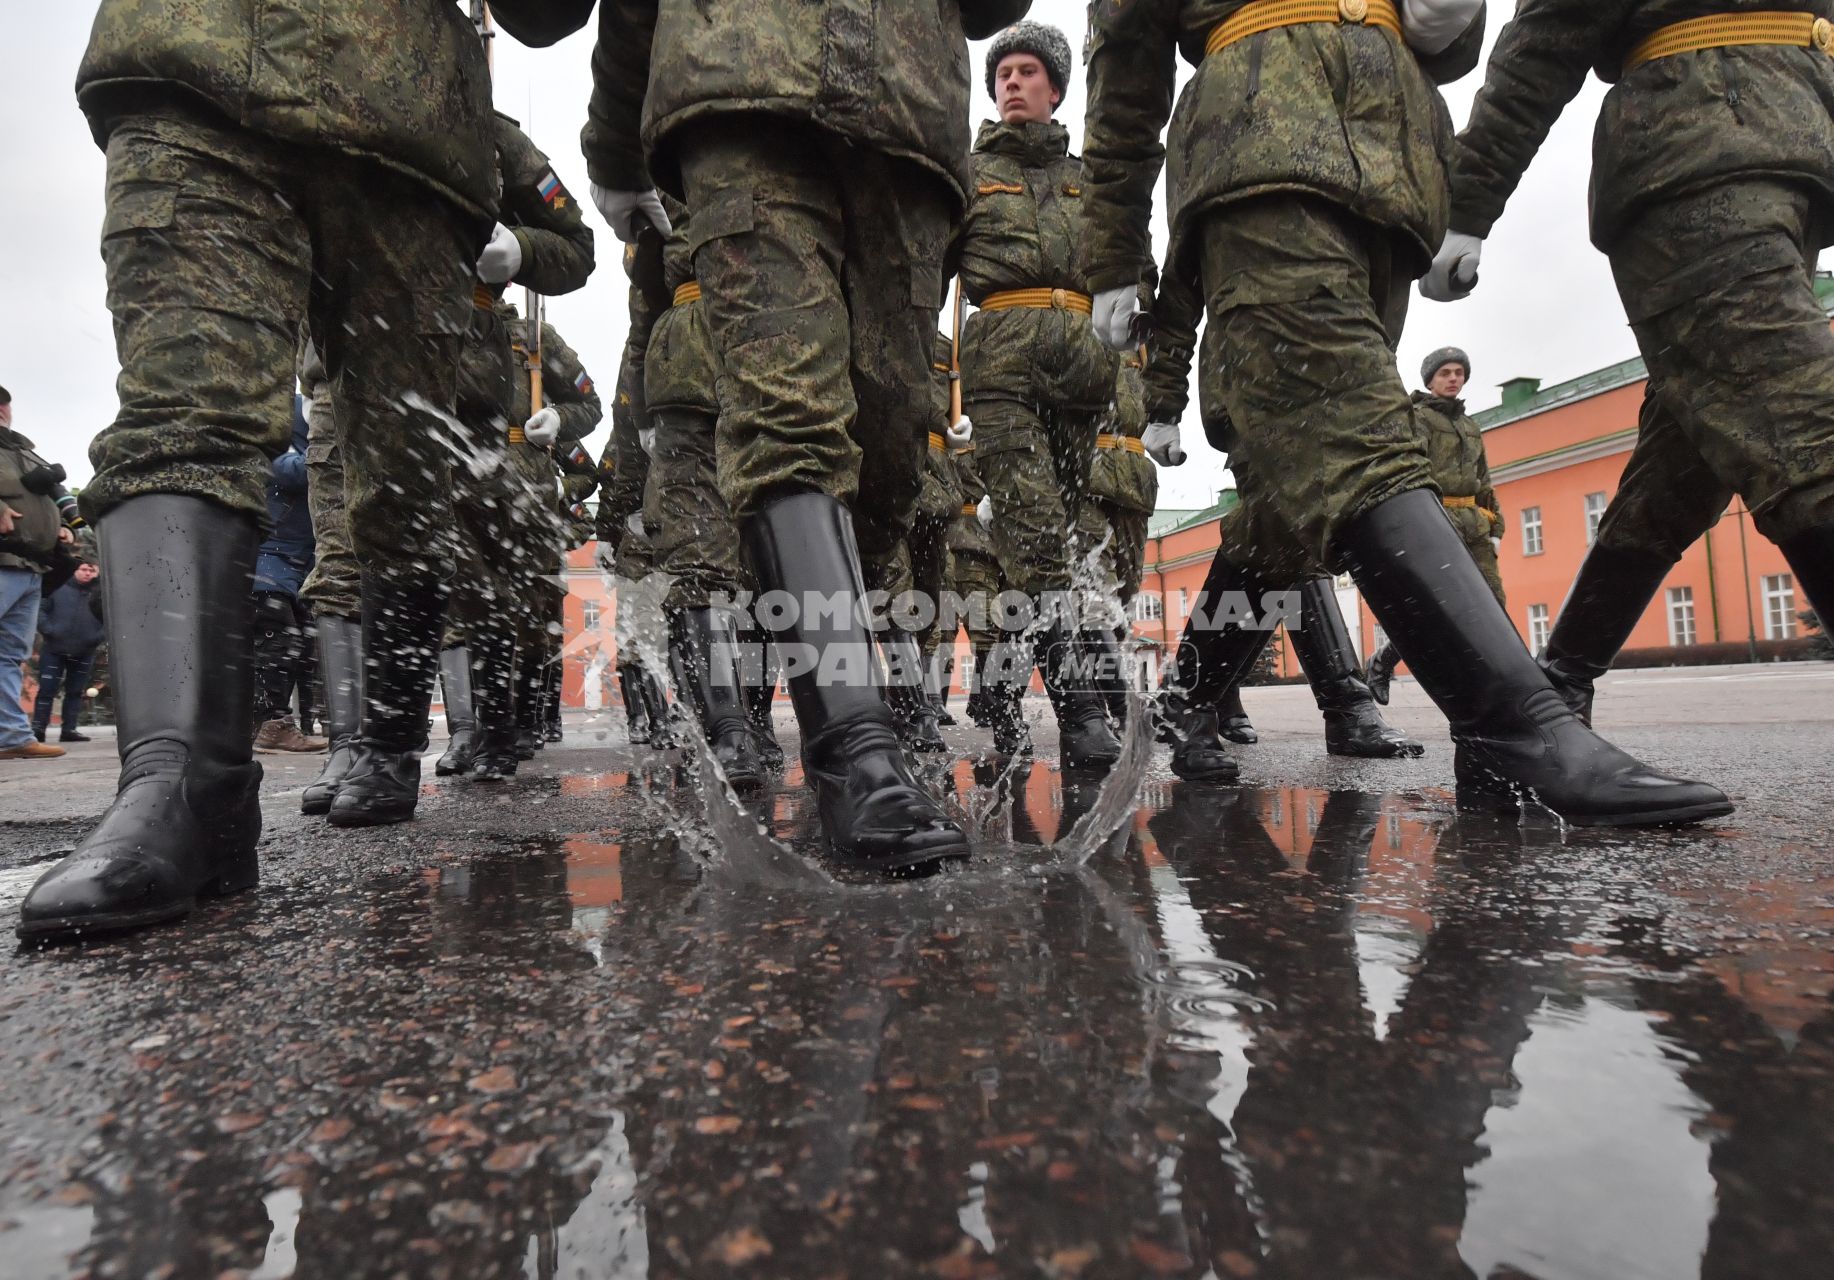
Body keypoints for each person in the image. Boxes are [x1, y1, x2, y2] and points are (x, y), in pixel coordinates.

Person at [17, 0, 598, 944]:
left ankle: (409, 745)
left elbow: (545, 20)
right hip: (196, 64)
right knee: (179, 417)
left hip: (409, 134)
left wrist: (517, 252)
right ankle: (177, 786)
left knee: (406, 502)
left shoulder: (504, 153)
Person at [1082, 0, 1728, 825]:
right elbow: (1126, 55)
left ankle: (1188, 700)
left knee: (1289, 508)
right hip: (1258, 157)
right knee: (1351, 444)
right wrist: (1113, 248)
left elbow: (1448, 49)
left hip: (1389, 183)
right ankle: (1516, 733)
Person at [584, 0, 1029, 874]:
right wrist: (613, 140)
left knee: (888, 459)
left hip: (908, 119)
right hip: (742, 83)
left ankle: (847, 695)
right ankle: (856, 761)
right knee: (790, 421)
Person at [1424, 0, 1834, 727]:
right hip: (1696, 152)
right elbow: (1546, 38)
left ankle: (1548, 696)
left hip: (1794, 158)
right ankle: (1533, 707)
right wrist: (1467, 204)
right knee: (1809, 425)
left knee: (1681, 471)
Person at [1139, 258, 1425, 778]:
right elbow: (1182, 281)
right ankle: (1340, 704)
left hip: (1343, 369)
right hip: (1255, 365)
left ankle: (1197, 698)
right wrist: (1163, 404)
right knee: (1280, 522)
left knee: (1285, 534)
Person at [954, 21, 1125, 770]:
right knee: (1037, 540)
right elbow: (926, 279)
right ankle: (1082, 713)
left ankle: (998, 689)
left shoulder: (1090, 179)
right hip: (1002, 366)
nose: (1012, 84)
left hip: (1082, 369)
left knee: (1059, 537)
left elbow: (1127, 264)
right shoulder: (965, 175)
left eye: (1028, 72)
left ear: (1056, 88)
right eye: (1003, 75)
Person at [430, 112, 597, 789]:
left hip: (525, 482)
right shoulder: (431, 314)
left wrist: (560, 415)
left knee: (524, 610)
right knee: (461, 603)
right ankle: (469, 730)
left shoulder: (535, 338)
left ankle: (512, 726)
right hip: (449, 463)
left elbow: (588, 403)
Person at [1366, 347, 1505, 703]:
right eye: (1445, 373)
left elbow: (1484, 480)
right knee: (1434, 607)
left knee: (1493, 602)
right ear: (1430, 379)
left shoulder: (1470, 426)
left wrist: (1496, 527)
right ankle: (1384, 661)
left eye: (1459, 372)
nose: (1453, 378)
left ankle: (1492, 678)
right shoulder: (1417, 419)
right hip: (1436, 520)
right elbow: (1410, 471)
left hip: (1474, 523)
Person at [1, 384, 75, 761]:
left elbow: (48, 496)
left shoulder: (23, 452)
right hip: (4, 561)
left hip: (30, 565)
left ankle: (11, 737)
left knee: (10, 655)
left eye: (3, 404)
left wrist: (61, 525)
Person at [251, 395, 324, 754]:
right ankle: (269, 724)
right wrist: (329, 449)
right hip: (270, 555)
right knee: (276, 640)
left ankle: (272, 723)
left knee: (299, 647)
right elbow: (284, 469)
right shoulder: (286, 421)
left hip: (298, 558)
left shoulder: (309, 422)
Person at [33, 559, 105, 745]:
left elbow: (109, 619)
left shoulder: (101, 594)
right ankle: (38, 729)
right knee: (46, 690)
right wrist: (49, 630)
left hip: (84, 650)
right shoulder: (57, 587)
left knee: (75, 692)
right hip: (54, 648)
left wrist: (97, 637)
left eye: (92, 570)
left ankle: (69, 729)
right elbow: (40, 609)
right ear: (75, 571)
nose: (87, 573)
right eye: (83, 569)